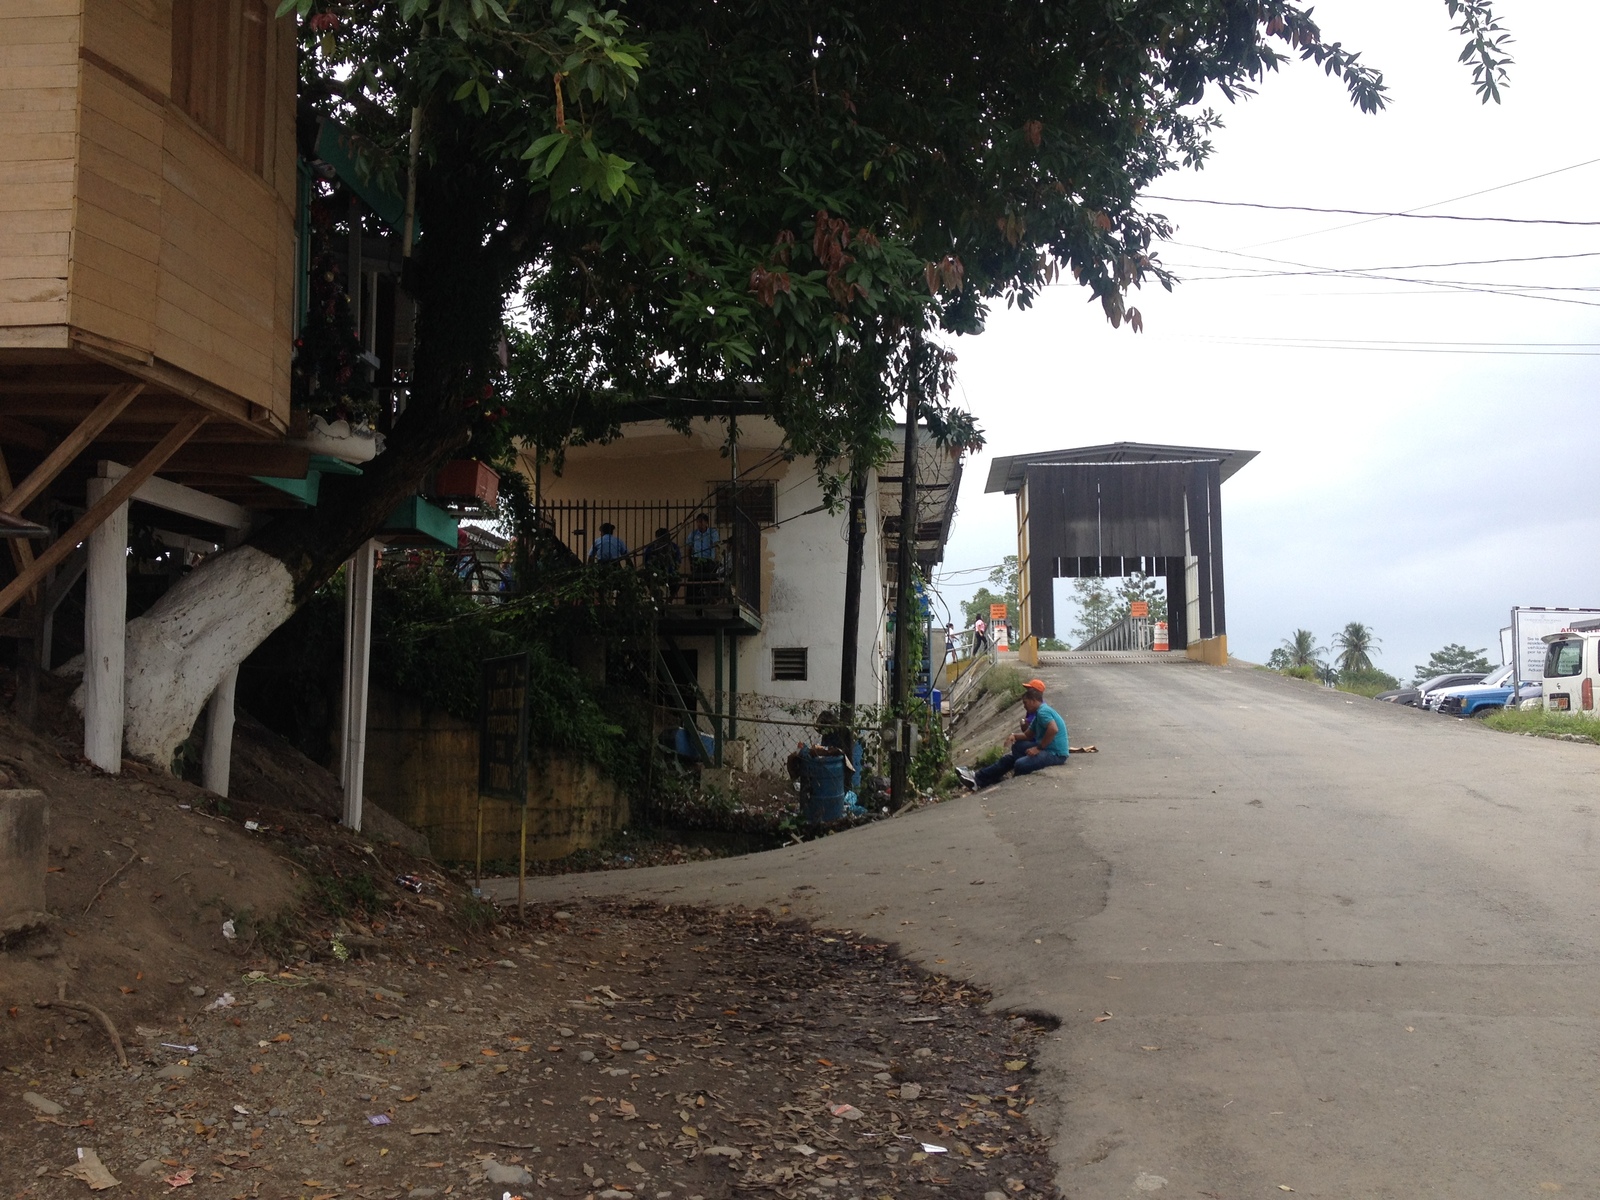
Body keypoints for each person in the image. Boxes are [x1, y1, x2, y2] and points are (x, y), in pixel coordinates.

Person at [957, 678, 1068, 789]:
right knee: (1014, 752)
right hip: (1047, 748)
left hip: (1055, 753)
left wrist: (1038, 748)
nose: (1024, 706)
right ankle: (978, 778)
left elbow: (1053, 729)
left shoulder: (1043, 711)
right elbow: (1028, 735)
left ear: (1034, 700)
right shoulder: (1039, 713)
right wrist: (1014, 736)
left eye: (1026, 703)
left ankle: (1012, 779)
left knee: (1020, 763)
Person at [686, 511, 721, 598]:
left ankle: (712, 598)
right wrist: (690, 563)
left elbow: (716, 547)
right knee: (693, 580)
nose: (699, 524)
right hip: (697, 561)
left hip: (709, 561)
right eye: (697, 522)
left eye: (701, 522)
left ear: (706, 522)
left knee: (710, 579)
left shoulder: (712, 533)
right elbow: (689, 549)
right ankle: (693, 600)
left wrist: (716, 560)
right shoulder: (693, 534)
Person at [642, 526, 681, 597]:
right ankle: (666, 599)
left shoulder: (652, 547)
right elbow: (678, 561)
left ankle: (658, 598)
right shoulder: (673, 546)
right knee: (676, 581)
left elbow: (646, 562)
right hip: (666, 574)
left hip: (658, 574)